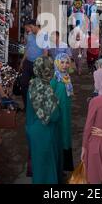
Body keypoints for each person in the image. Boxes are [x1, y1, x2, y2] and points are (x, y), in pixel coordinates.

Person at [26, 56, 62, 184]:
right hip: (45, 133)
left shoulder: (33, 83)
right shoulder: (46, 89)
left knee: (38, 167)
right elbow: (54, 116)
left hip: (32, 129)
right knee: (47, 170)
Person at [51, 53, 74, 173]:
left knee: (65, 136)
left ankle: (65, 165)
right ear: (57, 63)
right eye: (62, 62)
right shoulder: (55, 77)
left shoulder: (66, 76)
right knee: (59, 136)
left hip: (66, 114)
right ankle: (58, 166)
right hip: (58, 115)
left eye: (67, 62)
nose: (65, 65)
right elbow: (49, 96)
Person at [19, 19, 49, 110]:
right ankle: (27, 106)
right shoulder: (29, 36)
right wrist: (22, 61)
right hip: (28, 63)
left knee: (39, 86)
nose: (29, 29)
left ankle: (39, 106)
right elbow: (27, 50)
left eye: (30, 27)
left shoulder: (44, 36)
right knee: (23, 84)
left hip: (38, 64)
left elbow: (45, 52)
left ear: (35, 26)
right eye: (28, 28)